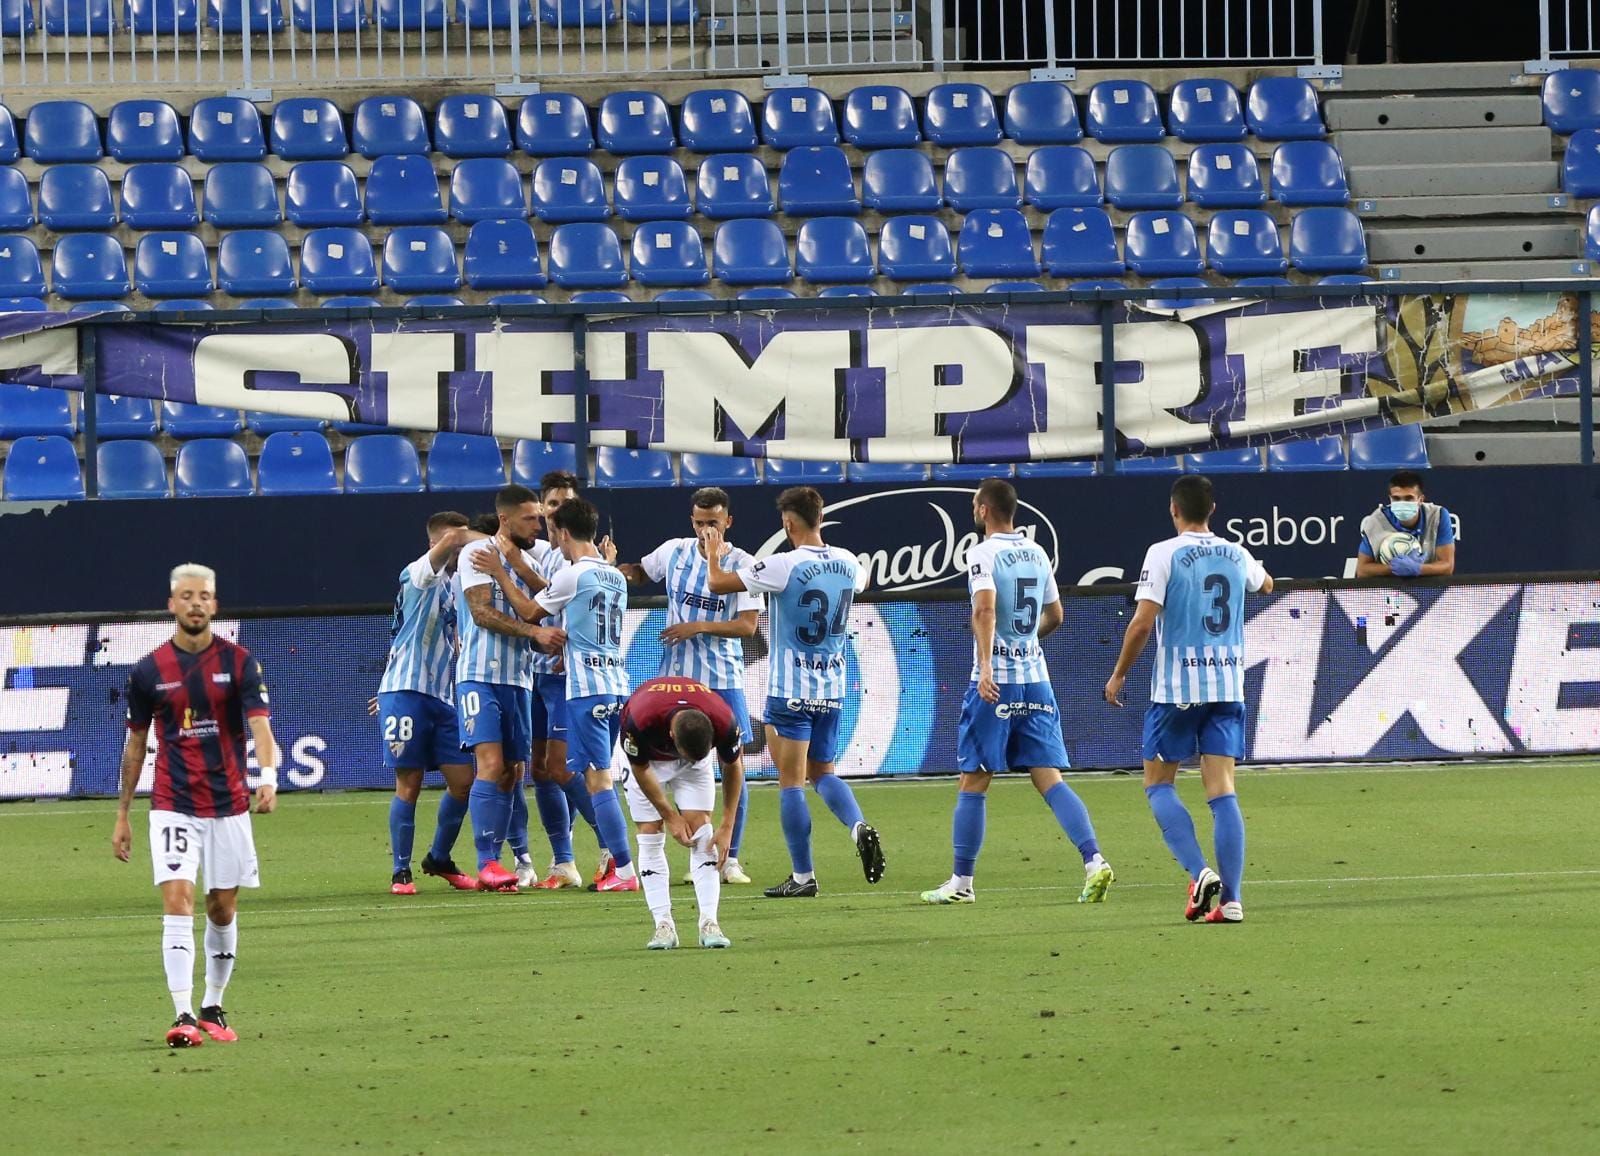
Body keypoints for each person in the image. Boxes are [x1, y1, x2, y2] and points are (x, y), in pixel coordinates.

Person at [111, 563, 282, 1049]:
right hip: (172, 803)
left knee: (222, 908)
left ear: (214, 604)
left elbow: (261, 729)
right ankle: (182, 1012)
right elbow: (135, 744)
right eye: (186, 596)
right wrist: (123, 813)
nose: (195, 603)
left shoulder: (241, 662)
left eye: (203, 596)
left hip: (229, 804)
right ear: (172, 604)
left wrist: (267, 778)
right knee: (178, 900)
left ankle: (212, 1002)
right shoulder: (148, 671)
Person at [921, 480, 1114, 906]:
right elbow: (1056, 615)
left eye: (975, 504)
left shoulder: (982, 554)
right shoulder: (1037, 552)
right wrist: (1027, 641)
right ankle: (1094, 860)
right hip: (1036, 679)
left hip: (996, 682)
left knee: (973, 779)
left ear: (984, 510)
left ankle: (962, 883)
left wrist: (988, 663)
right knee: (1050, 779)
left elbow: (985, 608)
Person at [1103, 476, 1274, 925]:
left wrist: (1119, 674)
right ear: (1212, 510)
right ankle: (1232, 901)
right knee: (1222, 790)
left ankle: (1200, 872)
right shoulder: (1237, 553)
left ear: (1174, 510)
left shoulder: (1163, 553)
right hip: (1227, 688)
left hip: (1177, 691)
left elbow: (1141, 624)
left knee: (1159, 784)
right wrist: (1256, 575)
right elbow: (1267, 584)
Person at [704, 486, 885, 898]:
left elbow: (718, 583)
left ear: (788, 523)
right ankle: (857, 825)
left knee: (791, 783)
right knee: (823, 774)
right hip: (834, 688)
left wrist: (714, 551)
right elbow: (864, 578)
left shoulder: (783, 564)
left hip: (789, 691)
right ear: (820, 518)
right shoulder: (846, 562)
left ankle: (803, 876)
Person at [619, 486, 761, 886]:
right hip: (674, 680)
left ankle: (729, 856)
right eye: (699, 523)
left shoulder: (744, 564)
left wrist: (698, 625)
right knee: (671, 760)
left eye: (712, 523)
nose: (704, 531)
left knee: (732, 763)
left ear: (727, 522)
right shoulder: (674, 552)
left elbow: (748, 626)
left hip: (722, 678)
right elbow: (641, 572)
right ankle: (680, 838)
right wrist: (612, 572)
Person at [456, 485, 563, 892]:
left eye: (539, 516)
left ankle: (515, 861)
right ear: (505, 519)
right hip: (480, 675)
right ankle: (487, 862)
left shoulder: (531, 559)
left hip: (520, 679)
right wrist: (533, 631)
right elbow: (481, 613)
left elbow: (552, 597)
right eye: (530, 518)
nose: (539, 524)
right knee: (490, 764)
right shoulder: (475, 555)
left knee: (513, 774)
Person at [530, 498, 640, 893]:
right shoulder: (614, 576)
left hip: (586, 692)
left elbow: (529, 612)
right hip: (616, 686)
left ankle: (624, 869)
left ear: (561, 532)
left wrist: (499, 572)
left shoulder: (571, 575)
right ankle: (619, 863)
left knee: (598, 780)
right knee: (596, 774)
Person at [373, 511, 479, 895]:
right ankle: (400, 871)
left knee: (464, 782)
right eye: (461, 543)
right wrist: (491, 538)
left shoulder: (454, 584)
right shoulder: (418, 573)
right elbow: (452, 542)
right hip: (407, 693)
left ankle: (439, 857)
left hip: (440, 698)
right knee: (409, 782)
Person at [617, 677, 745, 949]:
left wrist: (728, 825)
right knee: (650, 831)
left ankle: (709, 922)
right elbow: (640, 769)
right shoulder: (639, 720)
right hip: (649, 762)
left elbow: (734, 766)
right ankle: (663, 925)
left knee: (702, 831)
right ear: (672, 736)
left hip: (692, 766)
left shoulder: (724, 719)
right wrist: (669, 815)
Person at [1355, 470, 1457, 579]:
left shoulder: (1438, 516)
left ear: (1420, 499)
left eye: (1409, 498)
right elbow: (1362, 570)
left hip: (1426, 588)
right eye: (1396, 498)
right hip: (1388, 590)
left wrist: (1418, 569)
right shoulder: (1376, 521)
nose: (1402, 503)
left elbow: (1447, 566)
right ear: (1390, 498)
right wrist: (1393, 568)